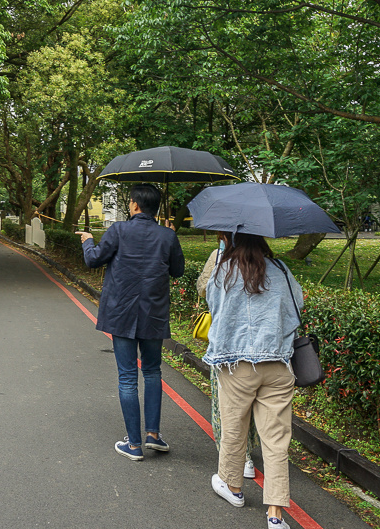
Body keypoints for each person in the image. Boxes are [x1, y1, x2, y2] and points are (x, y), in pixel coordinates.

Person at [77, 183, 185, 461]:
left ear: (135, 205)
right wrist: (171, 238)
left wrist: (88, 240)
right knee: (152, 372)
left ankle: (134, 444)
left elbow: (93, 260)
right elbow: (178, 271)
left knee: (127, 377)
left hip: (121, 312)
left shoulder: (118, 230)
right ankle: (153, 435)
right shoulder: (167, 236)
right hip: (153, 313)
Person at [203, 231, 303, 529]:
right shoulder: (282, 269)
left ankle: (233, 488)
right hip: (278, 363)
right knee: (276, 439)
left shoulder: (224, 270)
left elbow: (213, 306)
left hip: (236, 364)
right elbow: (298, 305)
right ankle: (275, 514)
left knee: (234, 426)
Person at [197, 235, 261, 481]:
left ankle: (235, 462)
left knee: (225, 406)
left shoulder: (219, 258)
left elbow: (205, 292)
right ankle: (246, 455)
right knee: (251, 404)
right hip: (258, 347)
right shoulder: (269, 263)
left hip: (226, 345)